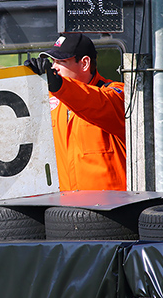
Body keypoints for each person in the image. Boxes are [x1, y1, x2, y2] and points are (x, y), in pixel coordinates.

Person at [25, 33, 126, 192]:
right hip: (66, 209)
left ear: (85, 63)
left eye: (61, 61)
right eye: (53, 62)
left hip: (115, 208)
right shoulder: (52, 98)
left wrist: (57, 84)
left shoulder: (116, 92)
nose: (54, 67)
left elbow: (95, 101)